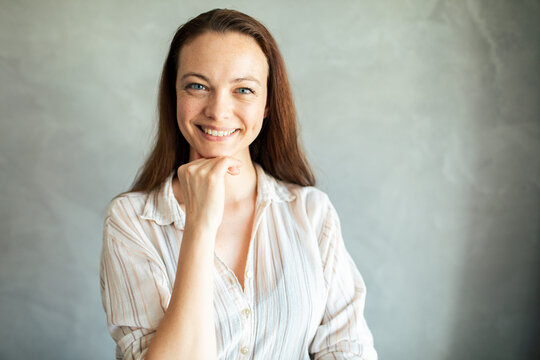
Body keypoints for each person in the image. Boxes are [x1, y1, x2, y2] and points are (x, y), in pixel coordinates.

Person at [99, 8, 377, 360]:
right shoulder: (131, 221)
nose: (218, 110)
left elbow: (347, 349)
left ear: (266, 104)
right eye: (198, 86)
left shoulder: (312, 213)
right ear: (174, 96)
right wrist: (199, 226)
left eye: (243, 89)